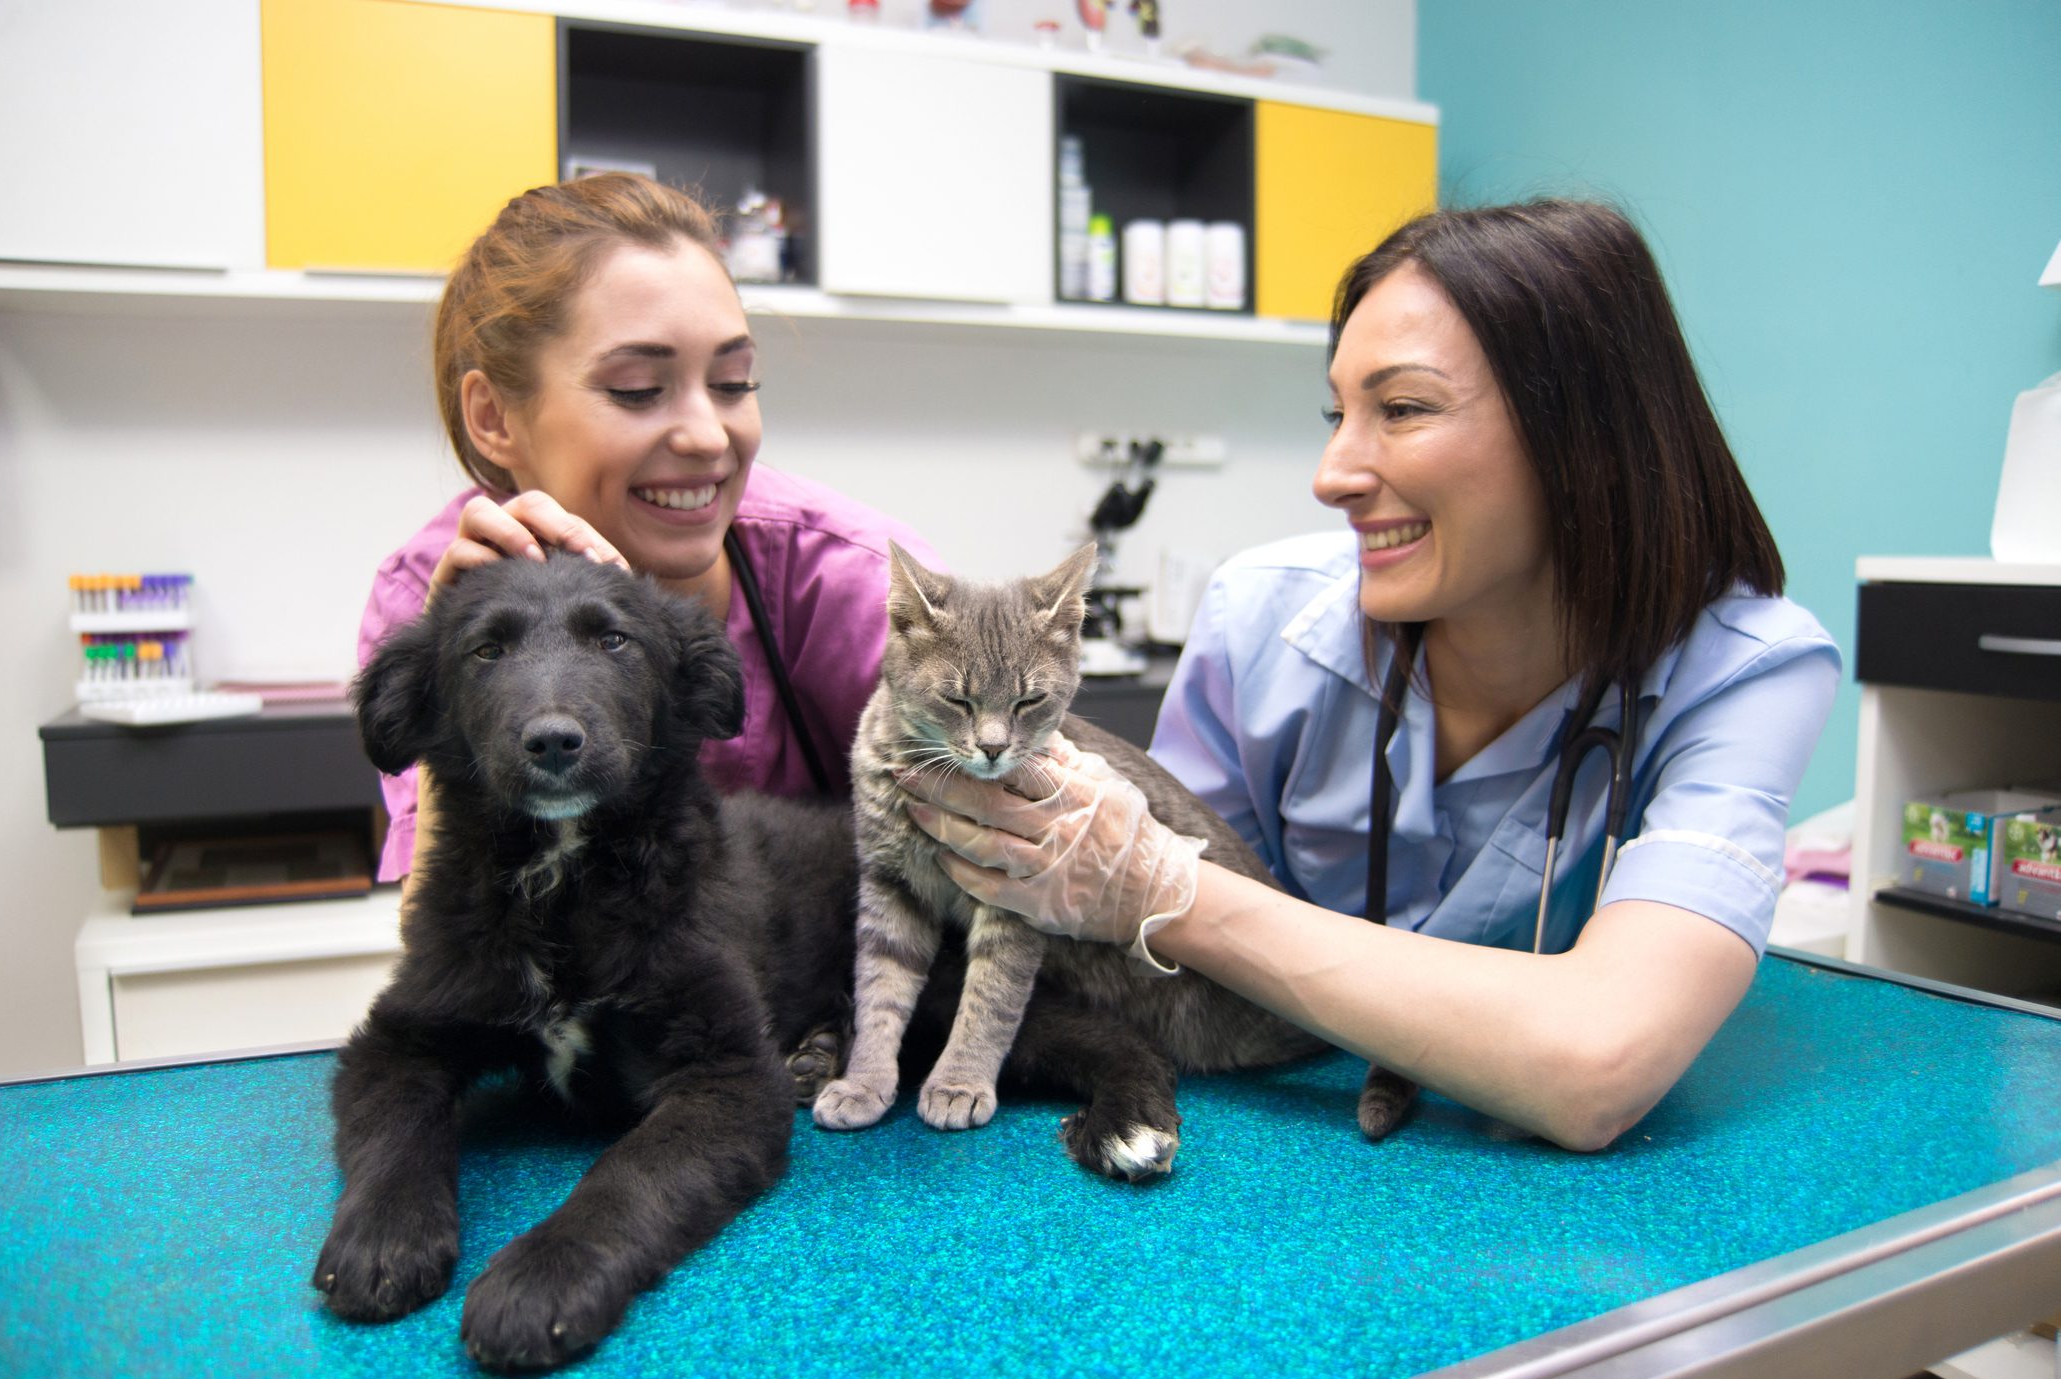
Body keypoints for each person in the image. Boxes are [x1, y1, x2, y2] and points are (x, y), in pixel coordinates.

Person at [897, 200, 1841, 1153]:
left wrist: (1163, 888)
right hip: (1280, 1142)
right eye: (1336, 413)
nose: (1331, 473)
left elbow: (1597, 1064)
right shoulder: (1258, 620)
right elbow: (1165, 985)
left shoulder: (1746, 672)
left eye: (1402, 408)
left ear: (1584, 436)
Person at [357, 174, 937, 883]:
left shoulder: (853, 583)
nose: (707, 436)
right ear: (493, 417)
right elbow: (444, 915)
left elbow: (1040, 839)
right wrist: (452, 661)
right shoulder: (430, 594)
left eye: (733, 383)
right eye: (637, 390)